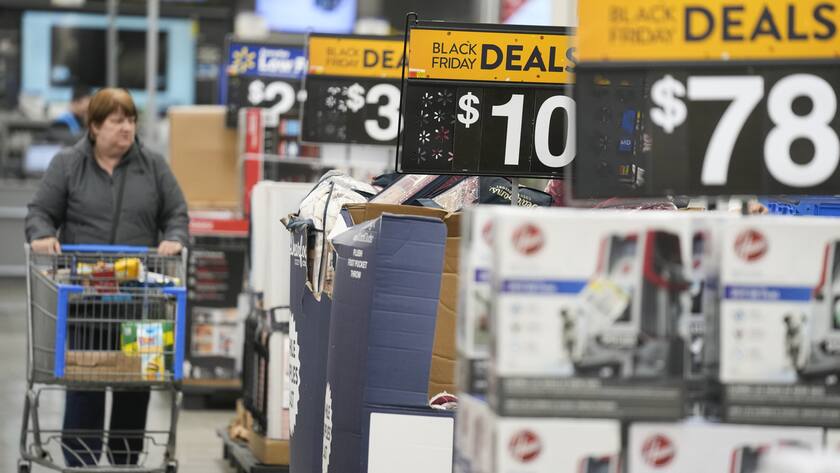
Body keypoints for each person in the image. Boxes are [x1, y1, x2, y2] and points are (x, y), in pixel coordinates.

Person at [25, 88, 189, 466]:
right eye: (117, 121)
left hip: (139, 301)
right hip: (84, 301)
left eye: (131, 120)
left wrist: (175, 239)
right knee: (86, 383)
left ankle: (125, 460)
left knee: (136, 384)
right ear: (94, 126)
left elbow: (177, 213)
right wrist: (42, 235)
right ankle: (80, 460)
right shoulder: (67, 165)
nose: (126, 128)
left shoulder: (154, 167)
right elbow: (40, 212)